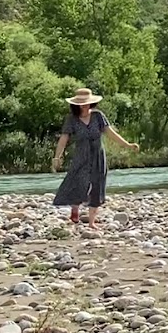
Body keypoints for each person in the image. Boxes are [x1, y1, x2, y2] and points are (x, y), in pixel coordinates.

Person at [51, 88, 139, 228]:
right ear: (76, 104)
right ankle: (75, 209)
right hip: (81, 155)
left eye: (86, 102)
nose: (84, 105)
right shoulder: (72, 119)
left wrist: (127, 145)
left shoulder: (98, 116)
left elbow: (110, 133)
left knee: (97, 185)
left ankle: (91, 222)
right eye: (81, 103)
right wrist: (57, 157)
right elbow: (64, 138)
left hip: (98, 155)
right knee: (78, 181)